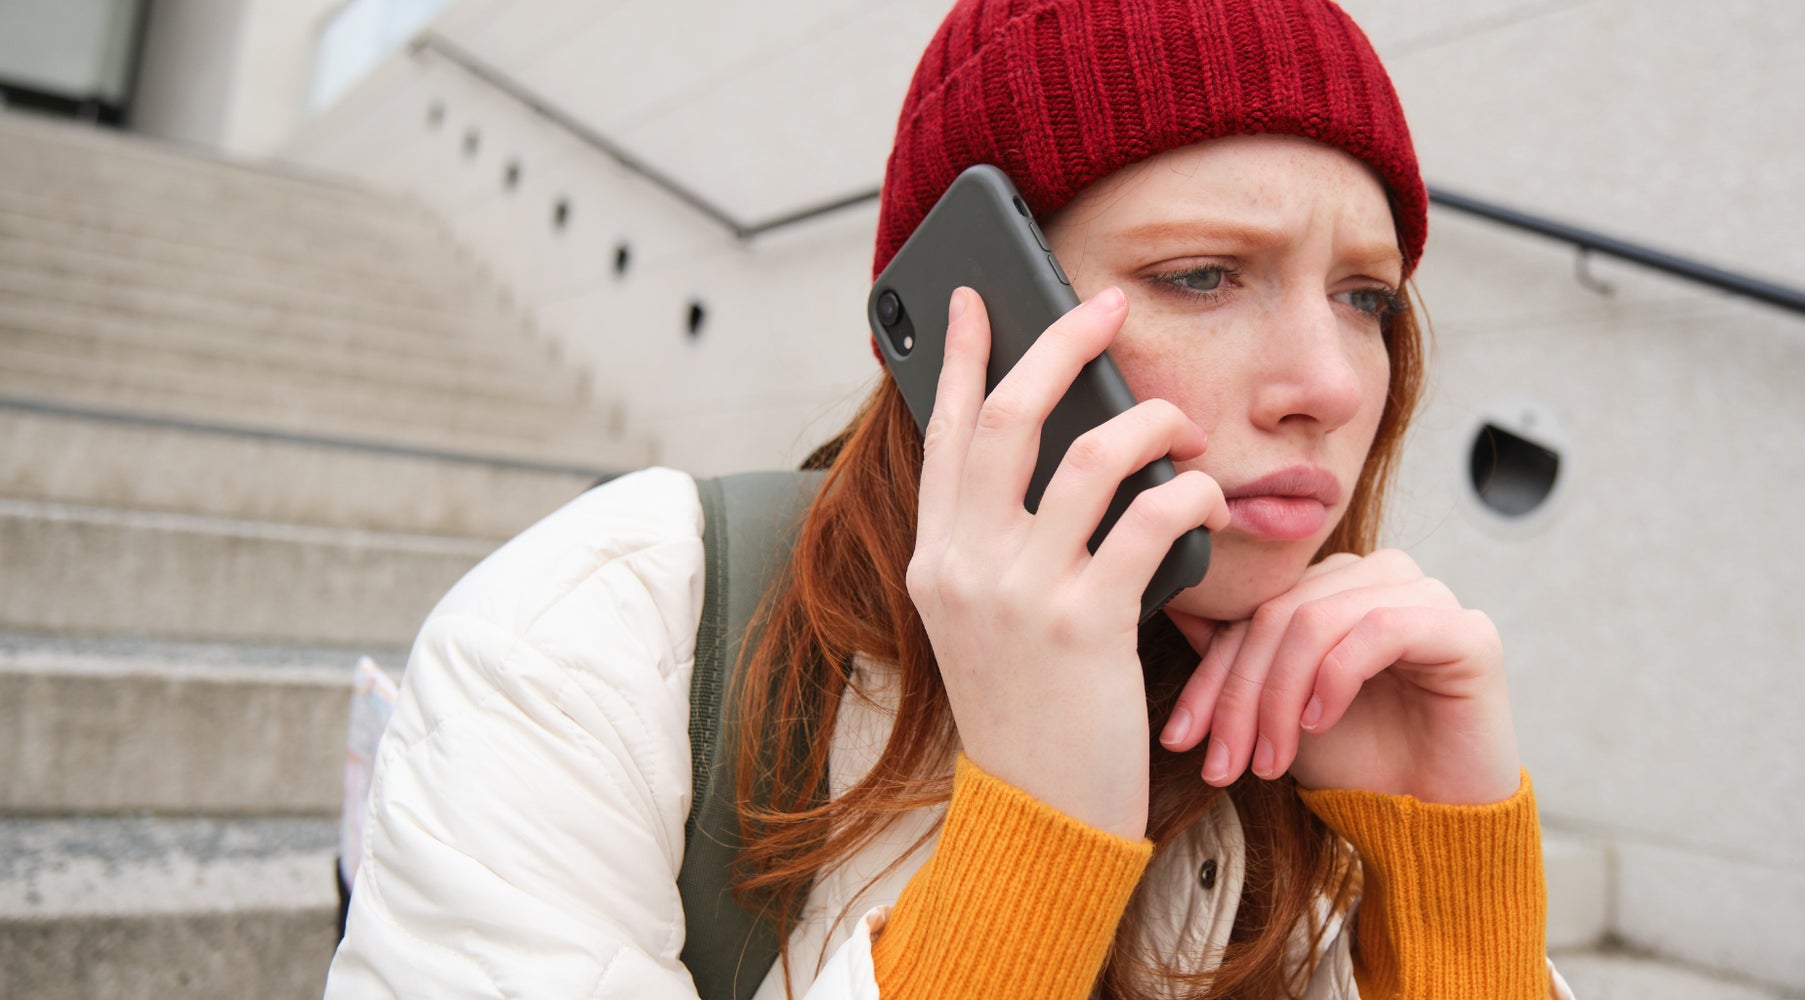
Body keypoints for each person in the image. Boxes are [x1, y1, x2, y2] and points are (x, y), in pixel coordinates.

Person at [326, 1, 1571, 997]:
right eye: (1202, 275)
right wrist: (1030, 842)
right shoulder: (603, 630)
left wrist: (1449, 896)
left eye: (1363, 297)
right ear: (974, 306)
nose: (1326, 385)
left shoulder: (1314, 729)